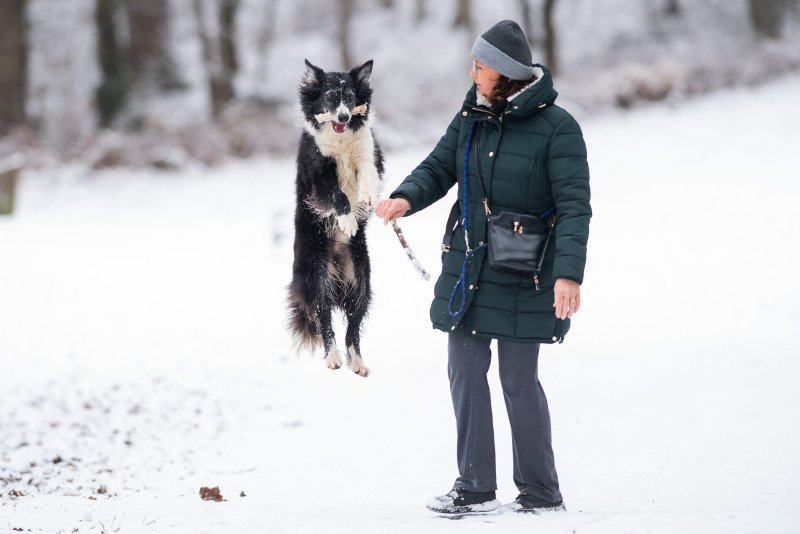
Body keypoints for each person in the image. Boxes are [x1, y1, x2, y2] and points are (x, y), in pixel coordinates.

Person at [375, 20, 591, 515]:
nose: (472, 73)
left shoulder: (559, 129)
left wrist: (568, 274)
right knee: (464, 373)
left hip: (527, 271)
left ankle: (540, 491)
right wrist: (405, 197)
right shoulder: (470, 115)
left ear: (506, 72)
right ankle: (473, 485)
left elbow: (575, 207)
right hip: (470, 267)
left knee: (518, 381)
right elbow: (439, 165)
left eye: (480, 66)